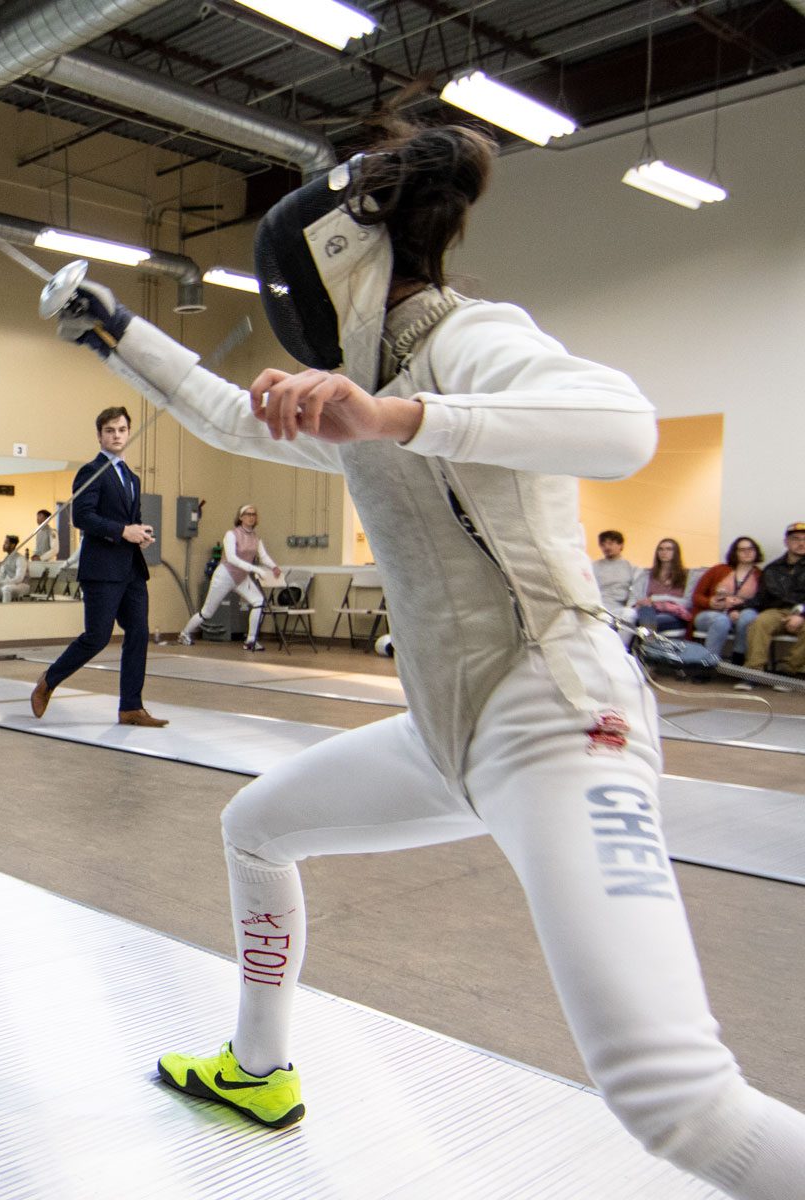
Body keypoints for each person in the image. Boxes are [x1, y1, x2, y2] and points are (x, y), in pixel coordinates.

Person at [45, 124, 805, 1197]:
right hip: (449, 734)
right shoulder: (357, 385)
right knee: (256, 828)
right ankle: (258, 1072)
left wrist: (397, 417)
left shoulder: (473, 340)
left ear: (348, 256)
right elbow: (221, 411)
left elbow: (623, 426)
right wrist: (115, 330)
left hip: (560, 720)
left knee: (674, 1098)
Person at [30, 408, 167, 728]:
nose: (116, 435)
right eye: (109, 430)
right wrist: (123, 531)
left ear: (128, 432)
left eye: (121, 429)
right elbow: (82, 517)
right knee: (97, 637)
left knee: (138, 633)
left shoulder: (132, 478)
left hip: (131, 568)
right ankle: (49, 680)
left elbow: (127, 520)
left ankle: (131, 707)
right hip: (101, 569)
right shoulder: (90, 471)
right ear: (100, 435)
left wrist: (139, 534)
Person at [179, 504, 282, 649]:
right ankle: (184, 633)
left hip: (241, 577)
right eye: (247, 514)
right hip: (225, 575)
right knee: (207, 612)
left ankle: (251, 641)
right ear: (240, 518)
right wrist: (255, 569)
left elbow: (263, 556)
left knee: (258, 601)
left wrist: (274, 567)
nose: (251, 517)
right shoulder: (231, 534)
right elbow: (232, 558)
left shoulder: (256, 538)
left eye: (253, 514)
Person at [743, 523, 805, 676]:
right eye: (796, 539)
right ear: (786, 542)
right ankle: (753, 672)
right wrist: (736, 608)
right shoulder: (772, 568)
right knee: (760, 622)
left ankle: (791, 673)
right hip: (777, 611)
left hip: (802, 612)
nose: (801, 543)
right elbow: (761, 598)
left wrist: (800, 615)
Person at [691, 537, 763, 663]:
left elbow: (762, 601)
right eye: (742, 550)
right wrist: (710, 602)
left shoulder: (760, 575)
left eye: (751, 549)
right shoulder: (718, 570)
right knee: (721, 620)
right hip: (711, 614)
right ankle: (708, 663)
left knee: (748, 617)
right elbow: (696, 596)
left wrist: (739, 608)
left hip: (740, 614)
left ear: (756, 552)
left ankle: (738, 659)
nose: (747, 552)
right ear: (735, 553)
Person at [632, 538, 691, 635]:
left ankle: (648, 644)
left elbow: (688, 603)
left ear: (676, 552)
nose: (664, 552)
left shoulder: (686, 575)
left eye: (668, 549)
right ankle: (649, 644)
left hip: (674, 614)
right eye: (661, 549)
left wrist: (657, 598)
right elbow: (640, 597)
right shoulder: (648, 574)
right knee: (643, 613)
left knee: (650, 622)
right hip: (650, 611)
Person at [593, 529, 638, 646]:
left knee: (630, 614)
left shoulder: (630, 567)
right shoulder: (594, 566)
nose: (607, 547)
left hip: (618, 609)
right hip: (598, 608)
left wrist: (629, 606)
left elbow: (634, 593)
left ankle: (622, 650)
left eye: (611, 543)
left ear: (620, 545)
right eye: (603, 544)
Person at [0, 534, 31, 602]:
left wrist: (3, 583)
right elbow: (1, 576)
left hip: (23, 585)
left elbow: (19, 578)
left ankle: (5, 611)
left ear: (13, 545)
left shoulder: (20, 559)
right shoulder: (6, 559)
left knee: (6, 589)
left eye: (6, 543)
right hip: (10, 584)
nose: (3, 545)